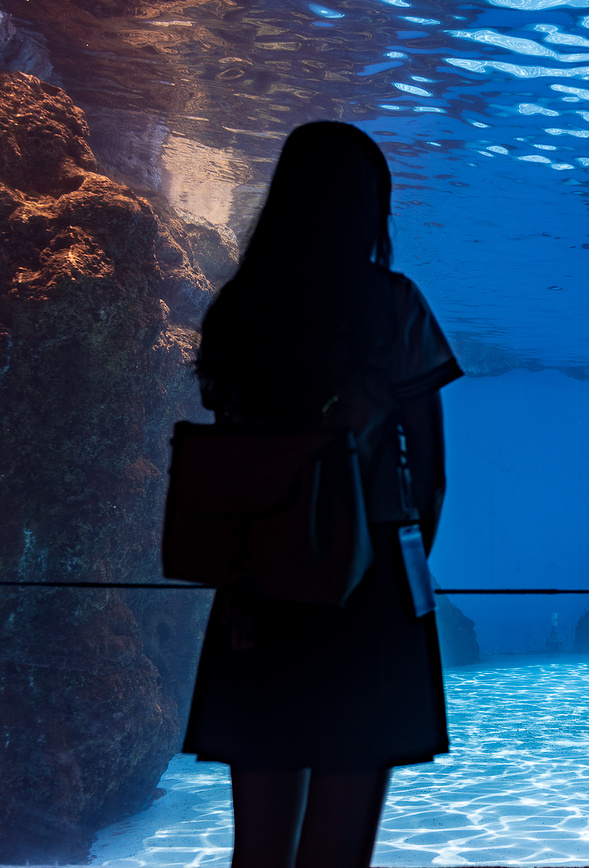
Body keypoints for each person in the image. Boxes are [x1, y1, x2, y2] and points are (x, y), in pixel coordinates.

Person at [181, 121, 462, 868]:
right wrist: (404, 567)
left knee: (259, 850)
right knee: (338, 850)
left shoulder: (240, 309)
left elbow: (242, 459)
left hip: (257, 592)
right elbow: (431, 470)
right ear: (370, 207)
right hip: (367, 593)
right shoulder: (392, 305)